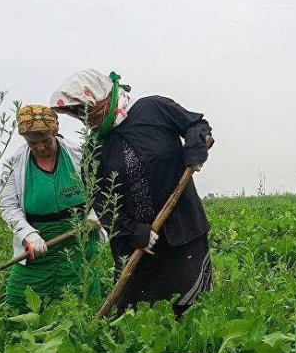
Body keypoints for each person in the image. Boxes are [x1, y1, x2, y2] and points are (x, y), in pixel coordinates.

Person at [50, 70, 213, 318]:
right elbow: (99, 199)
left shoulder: (153, 109)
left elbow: (196, 125)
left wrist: (195, 148)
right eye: (79, 115)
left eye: (88, 111)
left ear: (104, 97)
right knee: (137, 315)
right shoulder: (94, 147)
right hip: (135, 243)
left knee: (189, 310)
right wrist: (133, 231)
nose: (86, 121)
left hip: (183, 229)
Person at [0, 105, 102, 312]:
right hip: (40, 243)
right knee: (19, 298)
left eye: (45, 140)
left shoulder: (80, 155)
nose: (41, 147)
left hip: (78, 237)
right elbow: (9, 207)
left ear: (55, 131)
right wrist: (30, 236)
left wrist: (94, 213)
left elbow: (100, 188)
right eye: (32, 143)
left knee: (79, 298)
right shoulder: (14, 164)